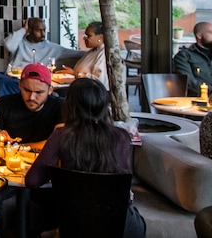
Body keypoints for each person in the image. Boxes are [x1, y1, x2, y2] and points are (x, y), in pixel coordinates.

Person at [25, 78, 146, 238]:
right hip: (123, 226)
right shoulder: (121, 136)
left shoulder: (62, 136)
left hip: (76, 225)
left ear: (70, 105)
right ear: (104, 106)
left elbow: (32, 181)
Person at [0, 63, 65, 145]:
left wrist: (22, 147)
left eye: (38, 92)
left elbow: (58, 143)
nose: (32, 97)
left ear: (50, 90)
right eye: (27, 90)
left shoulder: (60, 106)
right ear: (20, 85)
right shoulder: (4, 104)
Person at [4, 17, 79, 67]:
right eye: (38, 30)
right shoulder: (19, 43)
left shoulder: (51, 48)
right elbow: (8, 45)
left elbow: (76, 53)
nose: (43, 34)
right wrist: (23, 29)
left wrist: (90, 51)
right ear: (29, 30)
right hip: (15, 80)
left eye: (44, 30)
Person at [63, 21, 108, 87]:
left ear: (100, 37)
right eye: (85, 35)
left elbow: (99, 81)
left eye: (88, 36)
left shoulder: (103, 54)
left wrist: (75, 74)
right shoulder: (92, 51)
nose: (85, 38)